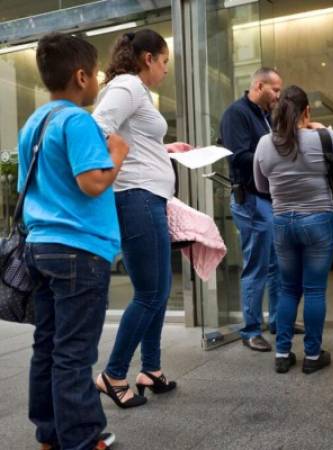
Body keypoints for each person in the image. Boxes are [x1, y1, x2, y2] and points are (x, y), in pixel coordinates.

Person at [21, 33, 128, 450]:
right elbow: (92, 182)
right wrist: (117, 152)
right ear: (81, 76)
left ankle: (49, 435)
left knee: (46, 346)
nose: (100, 80)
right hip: (78, 251)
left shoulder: (35, 122)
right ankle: (83, 440)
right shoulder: (77, 120)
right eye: (98, 72)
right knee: (74, 352)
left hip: (41, 246)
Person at [92, 29, 191, 408]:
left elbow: (129, 138)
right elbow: (97, 129)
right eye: (165, 61)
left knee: (159, 292)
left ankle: (150, 369)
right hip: (137, 199)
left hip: (148, 198)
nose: (166, 70)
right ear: (148, 58)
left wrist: (163, 150)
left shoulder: (134, 90)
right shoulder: (128, 87)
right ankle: (113, 374)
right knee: (149, 294)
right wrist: (103, 178)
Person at [254, 85, 333, 374]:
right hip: (318, 220)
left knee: (288, 289)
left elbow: (261, 186)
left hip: (282, 222)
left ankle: (282, 352)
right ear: (306, 111)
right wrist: (321, 128)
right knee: (314, 290)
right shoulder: (319, 138)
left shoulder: (265, 143)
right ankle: (313, 356)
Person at [220, 67, 297, 352]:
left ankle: (278, 322)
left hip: (268, 199)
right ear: (259, 85)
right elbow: (239, 157)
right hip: (250, 200)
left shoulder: (266, 117)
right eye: (275, 90)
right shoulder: (236, 114)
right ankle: (250, 329)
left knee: (278, 264)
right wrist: (276, 155)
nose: (279, 95)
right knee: (257, 266)